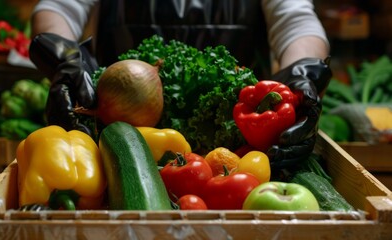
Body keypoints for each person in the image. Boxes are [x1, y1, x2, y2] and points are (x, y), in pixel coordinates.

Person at [28, 0, 332, 168]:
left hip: (235, 157)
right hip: (119, 146)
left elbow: (297, 22)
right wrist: (66, 59)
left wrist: (301, 74)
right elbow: (57, 8)